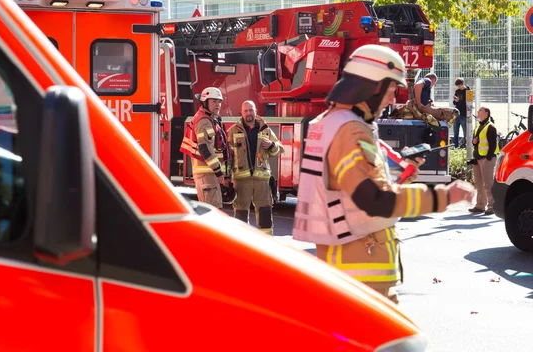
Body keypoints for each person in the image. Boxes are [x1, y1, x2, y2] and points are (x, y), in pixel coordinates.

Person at [292, 45, 476, 303]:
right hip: (362, 279)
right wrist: (443, 197)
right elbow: (375, 200)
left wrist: (407, 172)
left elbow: (357, 190)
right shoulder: (350, 131)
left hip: (354, 271)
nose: (392, 100)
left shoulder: (335, 123)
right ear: (372, 86)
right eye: (390, 91)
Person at [227, 100, 283, 235]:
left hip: (261, 180)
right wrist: (226, 177)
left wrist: (271, 145)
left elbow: (279, 149)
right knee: (240, 214)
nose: (248, 113)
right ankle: (241, 245)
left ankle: (267, 246)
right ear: (241, 112)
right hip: (241, 181)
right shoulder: (232, 131)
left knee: (265, 213)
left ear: (256, 111)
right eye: (245, 110)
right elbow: (228, 157)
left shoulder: (265, 129)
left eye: (251, 110)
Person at [180, 87, 228, 209]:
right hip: (208, 174)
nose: (218, 105)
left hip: (208, 174)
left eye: (219, 102)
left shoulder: (209, 118)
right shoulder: (204, 121)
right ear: (205, 103)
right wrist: (218, 171)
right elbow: (205, 149)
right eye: (214, 101)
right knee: (213, 212)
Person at [469, 107, 499, 215]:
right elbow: (476, 142)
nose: (478, 112)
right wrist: (474, 142)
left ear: (486, 113)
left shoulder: (490, 127)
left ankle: (491, 206)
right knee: (479, 183)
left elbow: (493, 144)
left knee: (488, 183)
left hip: (487, 159)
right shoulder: (478, 126)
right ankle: (480, 205)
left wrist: (488, 158)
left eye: (480, 111)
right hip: (478, 158)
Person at [452, 78, 470, 148]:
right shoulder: (457, 91)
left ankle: (465, 146)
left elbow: (467, 103)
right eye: (458, 86)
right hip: (457, 114)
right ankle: (455, 146)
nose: (458, 87)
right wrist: (455, 100)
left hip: (463, 114)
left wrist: (459, 101)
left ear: (463, 84)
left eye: (459, 86)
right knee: (455, 132)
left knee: (465, 132)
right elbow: (454, 102)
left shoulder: (468, 91)